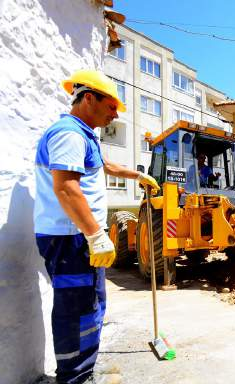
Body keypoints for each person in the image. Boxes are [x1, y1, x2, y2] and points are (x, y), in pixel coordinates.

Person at [34, 69, 160, 384]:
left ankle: (82, 372)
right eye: (111, 106)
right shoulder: (69, 133)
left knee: (90, 303)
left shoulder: (84, 133)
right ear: (89, 98)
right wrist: (95, 234)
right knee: (77, 307)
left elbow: (105, 165)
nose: (115, 114)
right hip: (71, 237)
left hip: (78, 236)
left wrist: (138, 176)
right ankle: (75, 377)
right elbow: (66, 187)